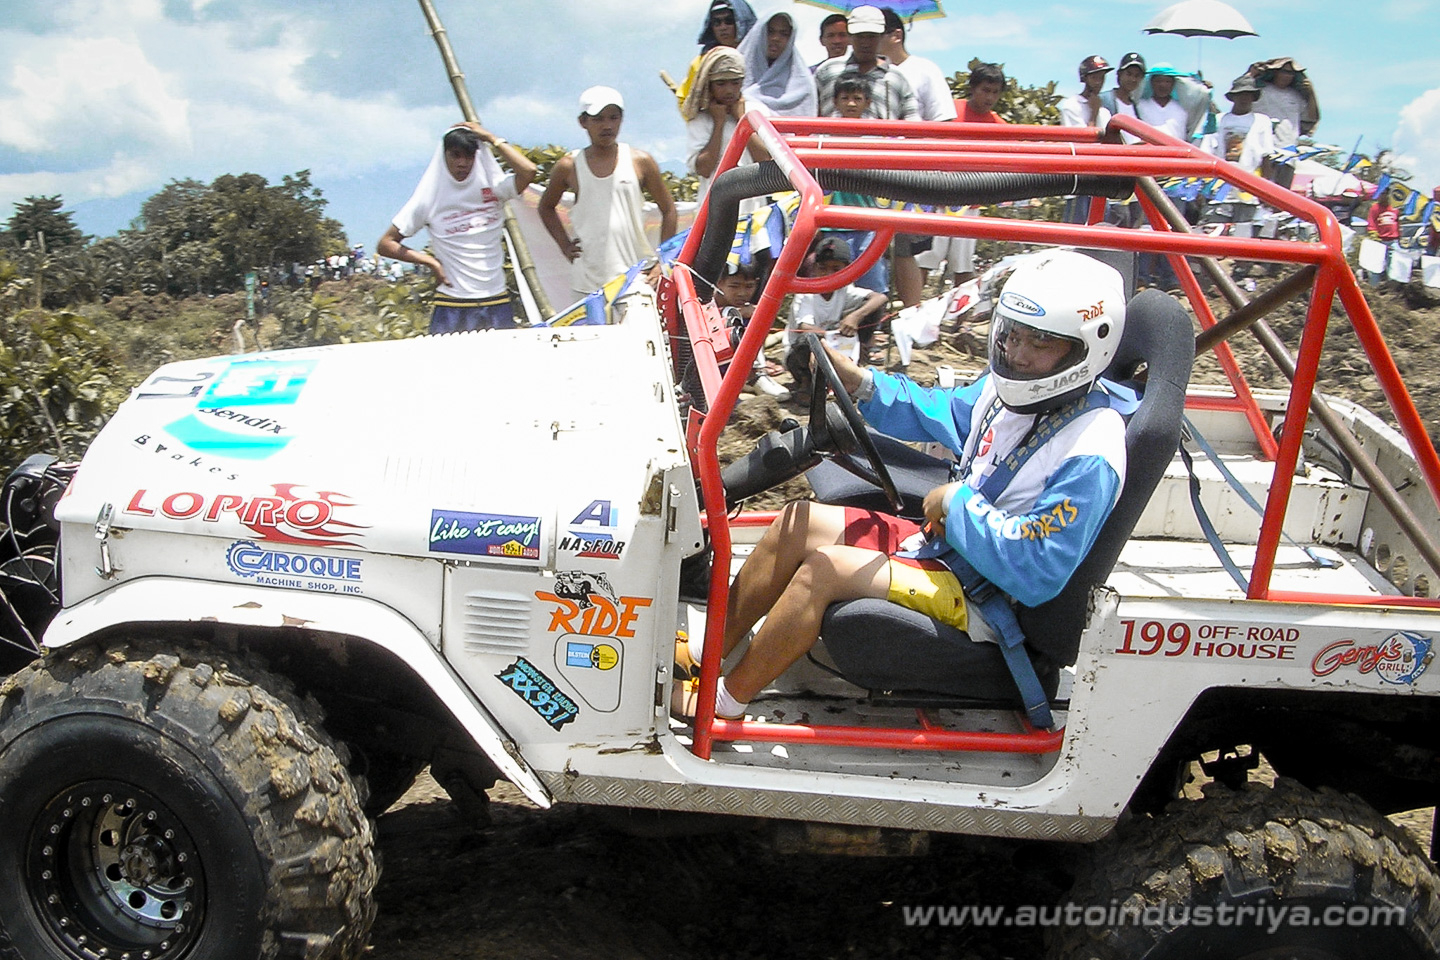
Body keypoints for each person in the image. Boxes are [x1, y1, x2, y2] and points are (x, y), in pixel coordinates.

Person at [692, 250, 1129, 719]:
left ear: (1087, 348)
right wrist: (859, 381)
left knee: (825, 569)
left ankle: (721, 706)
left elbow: (1039, 569)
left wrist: (959, 505)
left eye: (1039, 343)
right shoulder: (1006, 395)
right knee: (796, 522)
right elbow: (937, 410)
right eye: (1012, 336)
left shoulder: (1092, 448)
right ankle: (703, 656)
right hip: (949, 548)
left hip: (989, 597)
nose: (1018, 355)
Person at [379, 122, 537, 333]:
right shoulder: (428, 198)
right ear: (444, 156)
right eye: (455, 155)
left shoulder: (494, 188)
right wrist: (430, 262)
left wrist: (491, 138)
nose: (462, 163)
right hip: (453, 303)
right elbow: (386, 244)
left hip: (496, 299)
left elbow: (528, 171)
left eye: (469, 156)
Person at [539, 86, 677, 301]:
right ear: (583, 122)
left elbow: (669, 209)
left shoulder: (640, 161)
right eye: (599, 119)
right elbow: (546, 207)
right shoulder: (569, 166)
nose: (607, 126)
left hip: (635, 278)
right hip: (587, 281)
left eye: (614, 118)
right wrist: (565, 245)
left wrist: (664, 260)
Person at [877, 5, 956, 307]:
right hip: (875, 169)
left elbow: (944, 122)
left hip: (913, 169)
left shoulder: (924, 70)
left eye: (878, 33)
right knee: (871, 246)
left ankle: (911, 316)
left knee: (905, 248)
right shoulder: (873, 70)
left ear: (896, 35)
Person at [783, 236, 889, 395]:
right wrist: (836, 340)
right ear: (814, 268)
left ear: (847, 270)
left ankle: (853, 361)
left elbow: (880, 298)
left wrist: (855, 317)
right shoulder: (806, 293)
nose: (828, 274)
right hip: (801, 354)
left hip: (834, 347)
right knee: (810, 339)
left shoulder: (845, 289)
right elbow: (805, 327)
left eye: (836, 269)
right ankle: (807, 382)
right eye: (822, 268)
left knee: (872, 309)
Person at [682, 47, 774, 204]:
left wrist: (741, 120)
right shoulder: (700, 120)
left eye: (735, 83)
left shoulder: (758, 112)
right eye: (721, 84)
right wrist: (719, 123)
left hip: (754, 207)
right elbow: (704, 169)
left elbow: (766, 159)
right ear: (710, 85)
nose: (729, 90)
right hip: (714, 209)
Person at [814, 5, 920, 121]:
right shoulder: (828, 71)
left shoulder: (896, 78)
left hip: (881, 139)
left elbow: (912, 121)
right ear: (850, 37)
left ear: (881, 37)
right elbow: (810, 112)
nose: (865, 43)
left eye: (871, 37)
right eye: (860, 37)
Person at [1058, 55, 1114, 224]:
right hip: (1080, 181)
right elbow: (1081, 144)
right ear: (1085, 78)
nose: (1099, 82)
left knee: (1101, 233)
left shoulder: (1105, 111)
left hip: (1101, 179)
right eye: (1095, 77)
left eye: (1102, 77)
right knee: (1074, 236)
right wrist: (1093, 113)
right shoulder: (1071, 105)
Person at [877, 7, 957, 123]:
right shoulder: (862, 70)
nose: (868, 42)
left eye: (876, 35)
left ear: (897, 36)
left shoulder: (926, 70)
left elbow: (943, 118)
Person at [676, 1, 758, 111]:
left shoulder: (764, 60)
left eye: (729, 21)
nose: (722, 27)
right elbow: (686, 104)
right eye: (717, 22)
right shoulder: (702, 64)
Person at [738, 11, 817, 117]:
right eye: (770, 32)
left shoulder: (803, 83)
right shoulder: (736, 71)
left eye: (784, 34)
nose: (776, 38)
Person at [1209, 74, 1275, 175]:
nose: (1244, 98)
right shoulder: (1219, 119)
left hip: (1249, 177)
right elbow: (1208, 150)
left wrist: (1266, 183)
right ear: (1233, 97)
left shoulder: (1262, 120)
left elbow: (1266, 154)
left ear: (1253, 97)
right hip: (1220, 176)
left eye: (1248, 94)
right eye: (1240, 94)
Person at [1249, 57, 1320, 147]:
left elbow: (1311, 118)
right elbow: (1239, 92)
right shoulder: (1259, 91)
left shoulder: (1296, 97)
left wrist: (1310, 93)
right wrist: (1252, 74)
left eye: (1291, 73)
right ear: (1275, 72)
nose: (1287, 76)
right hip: (1260, 144)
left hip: (1288, 146)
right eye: (1284, 71)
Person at [1100, 52, 1146, 144]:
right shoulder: (1104, 99)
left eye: (1137, 76)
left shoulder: (1137, 107)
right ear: (1119, 74)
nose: (1133, 79)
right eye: (1129, 74)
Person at [1135, 63, 1189, 142]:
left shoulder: (1183, 109)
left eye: (1167, 81)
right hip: (1149, 152)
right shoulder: (1140, 107)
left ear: (1173, 83)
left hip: (1177, 152)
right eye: (1158, 81)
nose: (1163, 85)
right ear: (1151, 82)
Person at [1366, 191, 1401, 285]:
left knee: (1393, 266)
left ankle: (1392, 287)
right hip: (1380, 240)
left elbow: (1399, 222)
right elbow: (1371, 223)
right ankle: (1373, 286)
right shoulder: (1375, 208)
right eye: (1382, 194)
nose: (1384, 196)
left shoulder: (1395, 208)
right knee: (1376, 265)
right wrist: (1373, 234)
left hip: (1393, 241)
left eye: (1386, 194)